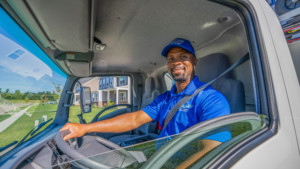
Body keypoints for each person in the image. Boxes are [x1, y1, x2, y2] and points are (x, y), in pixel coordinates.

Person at [60, 38, 231, 167]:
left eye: (183, 57)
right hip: (157, 158)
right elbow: (134, 120)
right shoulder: (165, 99)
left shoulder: (211, 99)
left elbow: (212, 150)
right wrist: (84, 128)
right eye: (171, 59)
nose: (176, 62)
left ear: (194, 62)